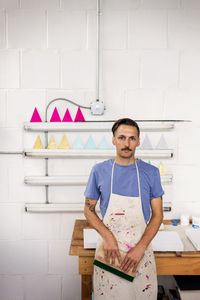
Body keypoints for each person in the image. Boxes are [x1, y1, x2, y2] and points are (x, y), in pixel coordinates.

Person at [84, 118, 164, 300]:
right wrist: (108, 238)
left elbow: (158, 215)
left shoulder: (151, 173)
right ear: (113, 140)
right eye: (121, 137)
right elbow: (88, 209)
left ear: (138, 141)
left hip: (140, 254)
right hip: (109, 253)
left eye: (132, 138)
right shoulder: (99, 171)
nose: (126, 143)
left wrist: (140, 248)